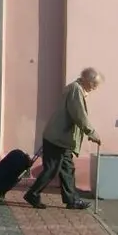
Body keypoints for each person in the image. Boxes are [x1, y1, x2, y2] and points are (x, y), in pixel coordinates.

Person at [24, 67, 103, 210]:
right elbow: (79, 115)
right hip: (58, 138)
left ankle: (72, 200)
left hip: (61, 138)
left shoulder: (77, 89)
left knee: (67, 170)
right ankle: (32, 194)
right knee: (52, 169)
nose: (95, 88)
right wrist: (91, 133)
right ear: (87, 80)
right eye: (94, 84)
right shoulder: (76, 90)